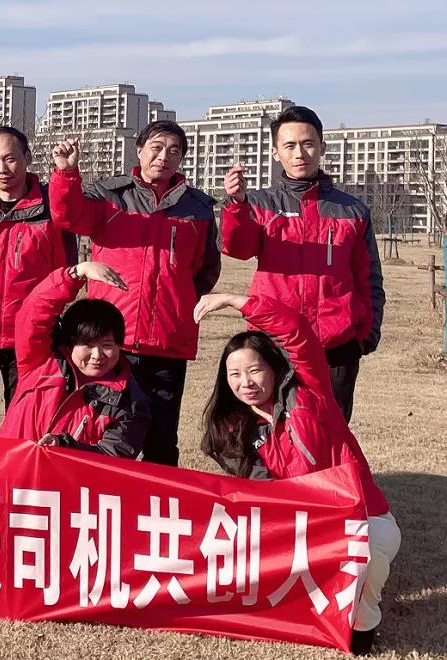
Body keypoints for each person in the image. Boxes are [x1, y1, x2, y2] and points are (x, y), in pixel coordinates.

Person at [195, 292, 399, 656]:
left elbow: (297, 332)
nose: (246, 382)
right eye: (235, 374)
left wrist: (235, 300)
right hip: (305, 530)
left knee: (367, 557)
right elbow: (261, 496)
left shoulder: (311, 395)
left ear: (275, 369)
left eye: (255, 370)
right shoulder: (233, 432)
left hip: (364, 517)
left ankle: (363, 623)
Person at [49, 122, 220, 466]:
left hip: (168, 343)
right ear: (139, 151)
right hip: (113, 341)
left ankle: (160, 515)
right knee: (103, 433)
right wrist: (67, 175)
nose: (164, 156)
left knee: (161, 440)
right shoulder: (109, 196)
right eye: (156, 147)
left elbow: (205, 270)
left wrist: (177, 298)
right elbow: (68, 217)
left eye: (174, 151)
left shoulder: (197, 208)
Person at [219, 105, 384, 423]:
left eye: (308, 144)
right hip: (275, 341)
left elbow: (368, 276)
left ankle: (328, 476)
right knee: (274, 425)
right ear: (275, 151)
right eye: (289, 145)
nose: (300, 154)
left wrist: (366, 333)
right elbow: (238, 248)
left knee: (330, 428)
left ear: (322, 147)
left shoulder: (352, 211)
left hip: (336, 344)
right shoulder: (260, 203)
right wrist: (237, 206)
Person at [0, 126, 76, 435]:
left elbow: (65, 270)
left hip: (31, 339)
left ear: (27, 158)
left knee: (27, 430)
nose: (1, 169)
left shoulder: (51, 210)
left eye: (10, 159)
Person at [0, 262, 150, 457]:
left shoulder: (130, 401)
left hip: (69, 485)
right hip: (10, 473)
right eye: (87, 345)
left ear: (120, 346)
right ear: (70, 344)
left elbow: (114, 458)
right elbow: (32, 314)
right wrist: (76, 273)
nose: (97, 355)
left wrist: (64, 446)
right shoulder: (41, 361)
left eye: (107, 346)